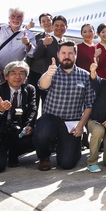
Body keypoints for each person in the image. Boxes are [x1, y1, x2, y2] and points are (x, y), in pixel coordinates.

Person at [36, 41, 94, 171]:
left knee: (67, 163)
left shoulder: (85, 76)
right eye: (63, 53)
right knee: (42, 133)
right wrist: (48, 74)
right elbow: (43, 85)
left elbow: (89, 105)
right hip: (51, 119)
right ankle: (44, 157)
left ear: (75, 55)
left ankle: (71, 147)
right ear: (58, 55)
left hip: (72, 123)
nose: (66, 56)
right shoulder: (51, 72)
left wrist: (81, 125)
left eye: (70, 53)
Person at [0, 60, 37, 173]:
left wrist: (29, 125)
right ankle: (1, 152)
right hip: (0, 132)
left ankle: (13, 154)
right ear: (6, 77)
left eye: (21, 73)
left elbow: (32, 109)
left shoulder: (29, 89)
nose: (17, 76)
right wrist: (0, 110)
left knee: (40, 135)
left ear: (26, 76)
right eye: (13, 73)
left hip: (19, 131)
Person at [0, 7, 36, 73]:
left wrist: (27, 44)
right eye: (13, 16)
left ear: (23, 19)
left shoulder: (29, 34)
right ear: (9, 18)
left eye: (19, 16)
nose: (16, 19)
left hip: (16, 73)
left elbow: (32, 54)